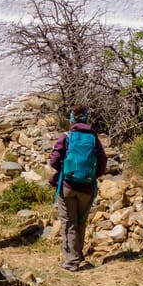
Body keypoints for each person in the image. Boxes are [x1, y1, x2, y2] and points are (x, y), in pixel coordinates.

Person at [49, 106, 108, 272]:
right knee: (81, 221)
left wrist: (64, 169)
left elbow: (53, 161)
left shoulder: (66, 137)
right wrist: (91, 175)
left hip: (67, 186)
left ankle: (72, 260)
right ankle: (78, 254)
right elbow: (103, 163)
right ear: (87, 120)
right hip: (87, 188)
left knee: (69, 223)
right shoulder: (94, 139)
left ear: (72, 120)